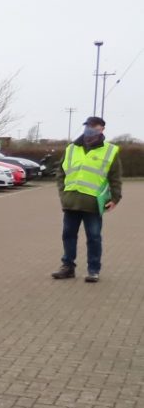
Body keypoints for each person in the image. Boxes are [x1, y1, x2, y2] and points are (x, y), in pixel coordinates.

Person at [52, 116, 122, 283]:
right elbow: (61, 172)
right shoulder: (71, 148)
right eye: (87, 126)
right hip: (71, 202)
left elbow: (115, 178)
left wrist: (115, 198)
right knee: (68, 235)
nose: (89, 129)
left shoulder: (110, 151)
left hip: (93, 203)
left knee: (94, 237)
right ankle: (67, 267)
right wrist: (63, 193)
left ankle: (93, 270)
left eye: (94, 126)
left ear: (102, 129)